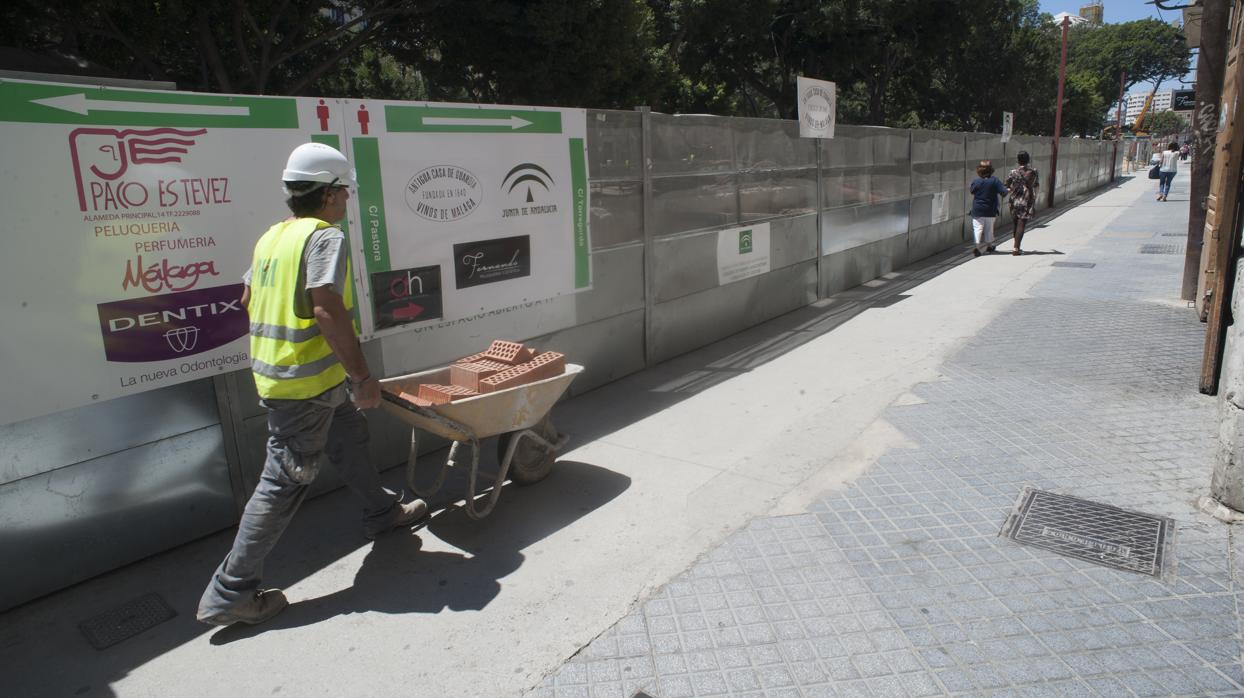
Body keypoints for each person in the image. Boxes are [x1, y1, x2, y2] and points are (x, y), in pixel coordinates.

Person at [197, 143, 428, 627]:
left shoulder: (272, 237)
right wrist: (362, 376)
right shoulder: (324, 238)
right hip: (302, 384)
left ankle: (382, 513)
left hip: (294, 375)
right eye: (343, 191)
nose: (346, 200)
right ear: (327, 195)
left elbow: (246, 297)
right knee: (283, 482)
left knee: (348, 439)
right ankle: (230, 592)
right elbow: (326, 307)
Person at [1004, 151, 1040, 256]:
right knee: (1022, 223)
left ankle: (1015, 246)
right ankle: (1016, 248)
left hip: (1014, 200)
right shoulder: (1033, 172)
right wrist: (1034, 199)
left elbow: (1006, 185)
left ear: (1018, 160)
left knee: (1015, 223)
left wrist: (1012, 189)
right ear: (1028, 160)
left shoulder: (1013, 172)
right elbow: (1036, 186)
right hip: (1026, 199)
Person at [969, 160, 1008, 257]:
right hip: (990, 209)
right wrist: (1008, 189)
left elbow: (972, 191)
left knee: (977, 228)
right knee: (989, 229)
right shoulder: (995, 180)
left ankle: (977, 247)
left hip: (977, 209)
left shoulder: (976, 181)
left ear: (979, 170)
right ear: (991, 170)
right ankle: (989, 245)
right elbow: (1004, 192)